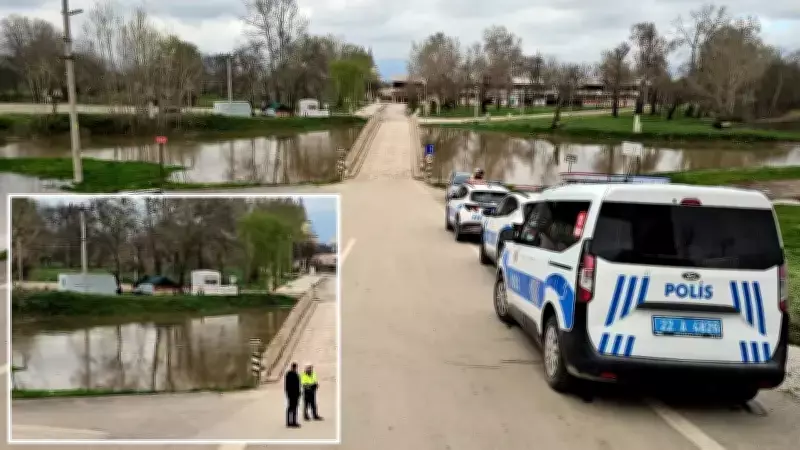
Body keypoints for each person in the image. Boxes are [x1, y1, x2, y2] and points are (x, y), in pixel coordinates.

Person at [284, 362, 301, 428]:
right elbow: (296, 385)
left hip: (290, 394)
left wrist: (287, 393)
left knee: (290, 407)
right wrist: (298, 393)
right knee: (293, 408)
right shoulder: (294, 374)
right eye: (295, 367)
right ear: (295, 367)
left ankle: (289, 422)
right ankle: (293, 422)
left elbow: (286, 385)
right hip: (294, 394)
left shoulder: (288, 374)